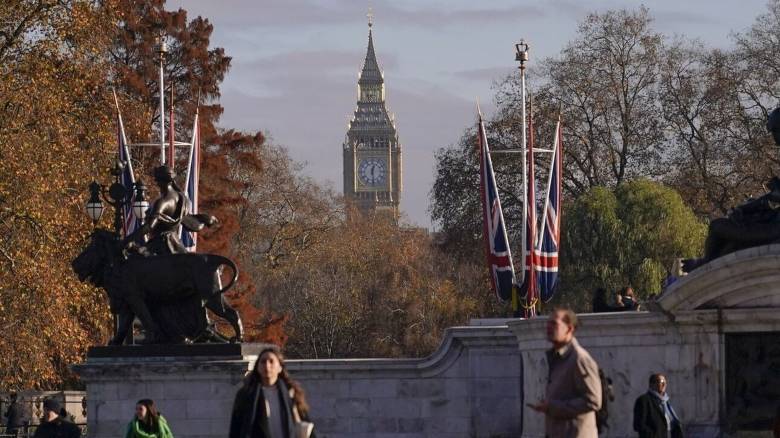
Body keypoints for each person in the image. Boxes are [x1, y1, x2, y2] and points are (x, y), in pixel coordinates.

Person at [529, 307, 602, 438]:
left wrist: (553, 408)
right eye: (548, 323)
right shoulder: (557, 358)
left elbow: (594, 401)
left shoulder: (580, 359)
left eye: (554, 323)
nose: (548, 327)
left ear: (569, 329)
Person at [229, 345, 315, 438]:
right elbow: (236, 429)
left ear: (280, 367)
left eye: (271, 361)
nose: (267, 365)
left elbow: (305, 424)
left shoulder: (291, 393)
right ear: (257, 367)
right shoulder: (246, 394)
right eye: (263, 362)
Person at [126, 166, 189, 256]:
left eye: (157, 180)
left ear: (160, 182)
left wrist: (127, 240)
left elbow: (149, 226)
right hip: (174, 242)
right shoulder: (180, 197)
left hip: (161, 245)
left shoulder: (163, 201)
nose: (156, 183)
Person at [633, 373, 684, 438]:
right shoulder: (644, 400)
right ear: (652, 384)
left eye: (665, 382)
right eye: (661, 382)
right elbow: (638, 425)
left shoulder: (666, 402)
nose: (664, 384)